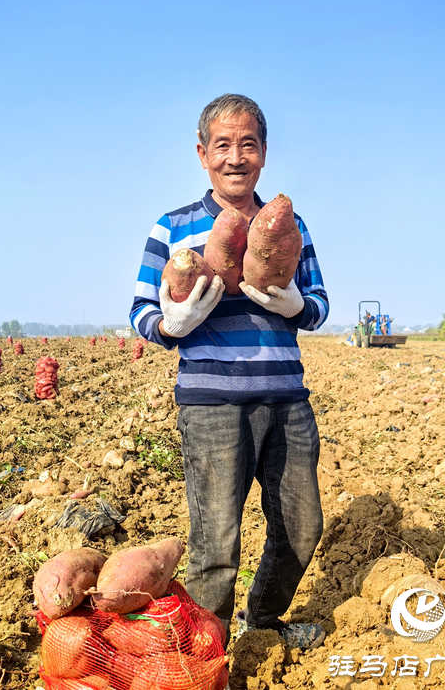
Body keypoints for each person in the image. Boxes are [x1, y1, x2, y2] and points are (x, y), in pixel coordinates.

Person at [129, 94, 329, 651]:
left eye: (248, 144)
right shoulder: (172, 227)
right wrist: (172, 323)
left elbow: (319, 305)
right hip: (211, 405)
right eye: (223, 145)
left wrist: (294, 305)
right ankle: (204, 656)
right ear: (202, 154)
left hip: (286, 400)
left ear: (263, 153)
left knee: (303, 528)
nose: (235, 157)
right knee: (215, 544)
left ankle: (260, 622)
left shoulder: (289, 225)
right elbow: (140, 312)